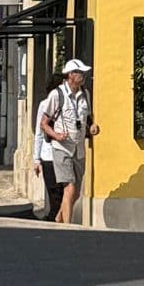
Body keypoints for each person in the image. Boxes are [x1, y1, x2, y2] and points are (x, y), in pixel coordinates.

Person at [42, 58, 98, 224]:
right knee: (70, 187)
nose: (83, 76)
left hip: (78, 148)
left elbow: (88, 118)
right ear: (70, 75)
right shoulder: (57, 94)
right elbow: (44, 123)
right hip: (62, 148)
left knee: (76, 193)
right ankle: (67, 228)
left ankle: (59, 217)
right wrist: (56, 136)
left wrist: (93, 126)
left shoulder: (85, 94)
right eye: (80, 73)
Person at [32, 73, 63, 220]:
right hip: (48, 154)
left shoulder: (68, 104)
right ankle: (54, 219)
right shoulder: (44, 105)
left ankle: (55, 219)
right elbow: (39, 132)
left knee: (60, 191)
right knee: (54, 191)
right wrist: (36, 159)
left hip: (61, 153)